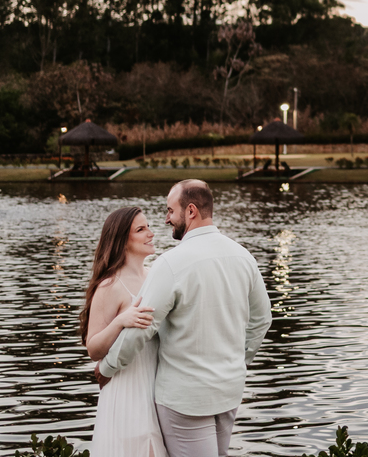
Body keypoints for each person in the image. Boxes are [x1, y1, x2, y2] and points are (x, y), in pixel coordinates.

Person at [100, 179, 272, 457]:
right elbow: (262, 319)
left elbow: (143, 325)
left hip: (185, 399)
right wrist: (239, 361)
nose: (166, 219)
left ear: (190, 211)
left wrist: (107, 367)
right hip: (229, 389)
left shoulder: (170, 263)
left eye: (170, 210)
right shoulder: (244, 257)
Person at [80, 205, 167, 457]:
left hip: (157, 388)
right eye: (141, 229)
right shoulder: (110, 284)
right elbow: (93, 349)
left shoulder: (154, 277)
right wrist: (120, 321)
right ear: (122, 241)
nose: (150, 233)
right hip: (127, 391)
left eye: (148, 227)